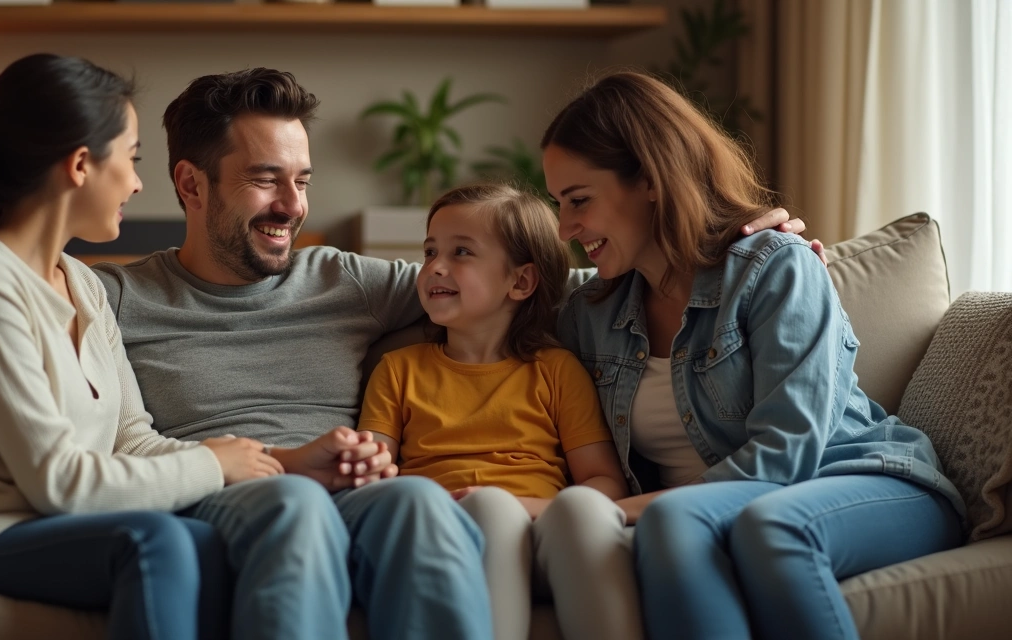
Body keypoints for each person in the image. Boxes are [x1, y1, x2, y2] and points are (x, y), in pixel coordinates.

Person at [91, 67, 817, 639]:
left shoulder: (345, 279)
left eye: (302, 180)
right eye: (263, 180)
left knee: (410, 497)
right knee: (294, 502)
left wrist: (714, 248)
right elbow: (99, 435)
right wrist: (270, 461)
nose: (291, 205)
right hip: (237, 494)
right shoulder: (111, 300)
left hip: (362, 499)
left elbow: (519, 284)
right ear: (190, 183)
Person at [0, 54, 283, 640]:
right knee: (155, 541)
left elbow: (130, 436)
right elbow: (59, 482)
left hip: (47, 521)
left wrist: (259, 460)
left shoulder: (84, 282)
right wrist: (210, 465)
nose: (140, 182)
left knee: (207, 538)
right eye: (133, 159)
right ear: (82, 164)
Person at [546, 71, 966, 640]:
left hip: (865, 479)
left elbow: (786, 453)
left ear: (649, 178)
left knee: (748, 527)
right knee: (672, 525)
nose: (566, 227)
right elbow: (482, 288)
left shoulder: (773, 267)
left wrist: (620, 511)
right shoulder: (589, 312)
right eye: (558, 204)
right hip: (697, 517)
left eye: (579, 201)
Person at [356, 182, 642, 640]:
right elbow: (373, 477)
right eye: (430, 252)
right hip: (446, 531)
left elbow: (603, 480)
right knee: (490, 509)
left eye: (461, 252)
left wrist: (528, 506)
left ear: (521, 281)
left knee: (584, 509)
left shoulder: (555, 370)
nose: (434, 268)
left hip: (541, 530)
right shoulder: (398, 370)